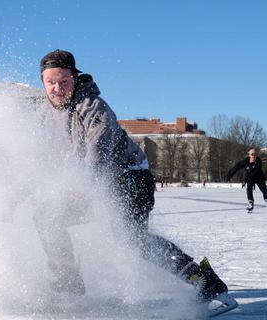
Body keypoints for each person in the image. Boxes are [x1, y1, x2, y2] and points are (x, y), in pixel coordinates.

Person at [36, 49, 229, 300]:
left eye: (64, 81)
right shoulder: (45, 116)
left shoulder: (93, 107)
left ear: (75, 78)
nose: (57, 88)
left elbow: (98, 153)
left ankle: (202, 279)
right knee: (46, 217)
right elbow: (40, 159)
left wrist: (82, 188)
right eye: (51, 82)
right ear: (43, 82)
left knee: (131, 239)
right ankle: (69, 279)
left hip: (130, 177)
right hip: (95, 184)